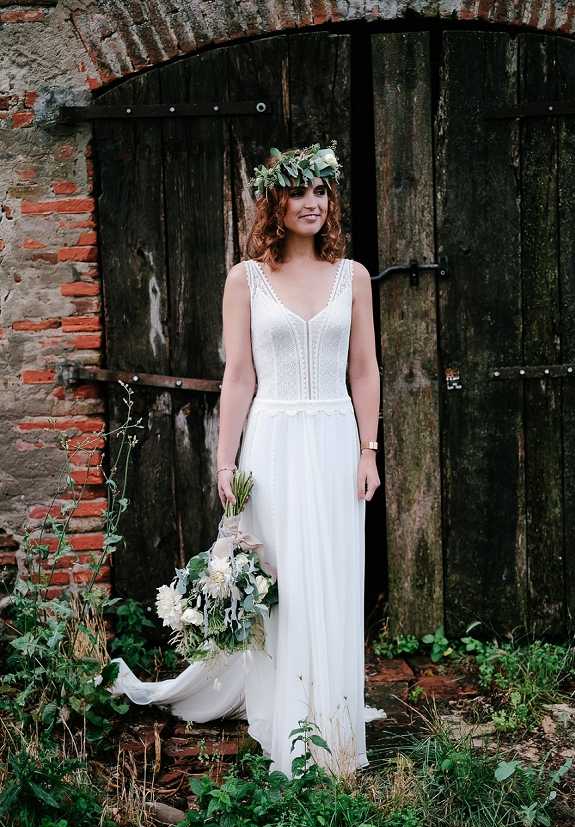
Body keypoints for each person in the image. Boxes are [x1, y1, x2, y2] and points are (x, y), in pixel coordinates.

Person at [108, 142, 387, 779]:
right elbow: (237, 377)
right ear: (276, 201)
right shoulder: (246, 279)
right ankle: (285, 712)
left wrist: (369, 450)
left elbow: (366, 371)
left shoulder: (354, 276)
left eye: (322, 191)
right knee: (281, 576)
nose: (313, 203)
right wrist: (225, 463)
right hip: (274, 439)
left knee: (333, 573)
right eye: (300, 192)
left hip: (334, 436)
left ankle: (332, 711)